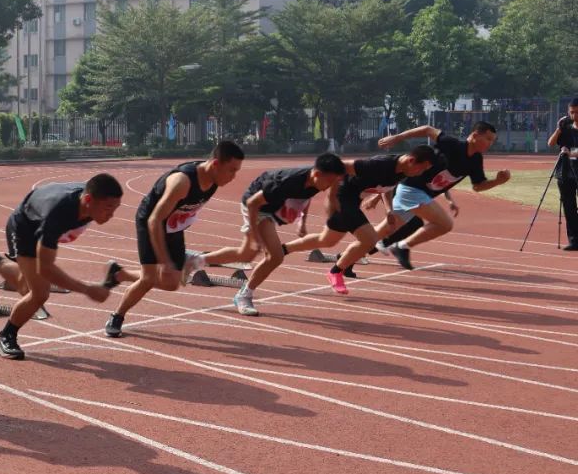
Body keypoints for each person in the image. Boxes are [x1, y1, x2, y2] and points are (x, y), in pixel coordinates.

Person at [0, 174, 124, 360]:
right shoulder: (58, 214)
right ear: (88, 200)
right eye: (108, 208)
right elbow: (46, 268)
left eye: (116, 208)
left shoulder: (90, 196)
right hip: (23, 228)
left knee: (27, 288)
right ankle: (5, 336)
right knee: (40, 292)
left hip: (39, 217)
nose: (111, 215)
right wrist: (87, 289)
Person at [102, 141, 245, 337]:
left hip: (172, 226)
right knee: (149, 278)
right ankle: (116, 316)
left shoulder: (214, 180)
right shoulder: (182, 182)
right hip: (151, 222)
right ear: (215, 165)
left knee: (171, 284)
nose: (233, 177)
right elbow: (154, 220)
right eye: (231, 170)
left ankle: (120, 275)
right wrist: (165, 259)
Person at [195, 153, 347, 316]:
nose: (331, 185)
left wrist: (302, 220)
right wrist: (254, 236)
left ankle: (197, 263)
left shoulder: (316, 181)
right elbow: (253, 203)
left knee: (263, 255)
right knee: (255, 253)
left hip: (271, 209)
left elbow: (305, 197)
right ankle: (240, 293)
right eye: (331, 181)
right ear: (317, 174)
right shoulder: (286, 182)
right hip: (256, 206)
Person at [281, 147, 437, 294]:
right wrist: (332, 196)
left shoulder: (402, 172)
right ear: (411, 160)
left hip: (353, 201)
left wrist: (389, 209)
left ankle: (283, 249)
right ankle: (335, 271)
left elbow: (386, 188)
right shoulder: (378, 164)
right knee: (371, 239)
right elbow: (339, 166)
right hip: (343, 198)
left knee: (327, 240)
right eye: (421, 168)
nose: (420, 173)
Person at [375, 121, 510, 269]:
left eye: (492, 140)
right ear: (475, 135)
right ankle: (402, 246)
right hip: (411, 188)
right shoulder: (453, 144)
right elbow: (427, 129)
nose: (490, 144)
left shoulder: (476, 159)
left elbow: (478, 186)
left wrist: (498, 181)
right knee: (444, 224)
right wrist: (397, 138)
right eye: (488, 139)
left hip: (421, 194)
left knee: (386, 228)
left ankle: (354, 253)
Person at [548, 97, 578, 251]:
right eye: (572, 112)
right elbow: (551, 143)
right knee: (569, 206)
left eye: (577, 112)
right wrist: (559, 128)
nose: (574, 116)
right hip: (565, 172)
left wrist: (571, 152)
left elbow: (573, 152)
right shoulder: (565, 126)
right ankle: (574, 240)